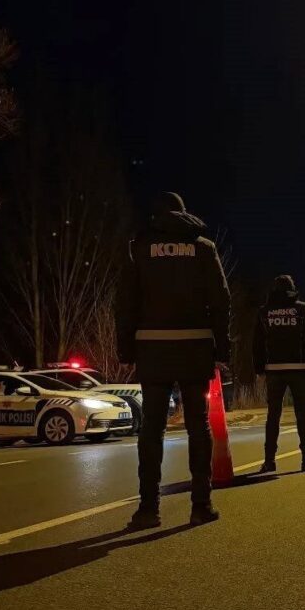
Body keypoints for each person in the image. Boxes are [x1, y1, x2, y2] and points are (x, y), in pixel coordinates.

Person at [117, 192, 231, 528]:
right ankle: (201, 505)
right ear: (183, 214)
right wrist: (222, 351)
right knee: (199, 426)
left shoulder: (138, 248)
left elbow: (124, 302)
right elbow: (221, 302)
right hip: (195, 346)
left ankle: (148, 509)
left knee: (151, 429)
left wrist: (125, 350)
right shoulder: (203, 248)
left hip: (152, 348)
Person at [253, 274, 305, 473]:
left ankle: (269, 461)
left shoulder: (264, 312)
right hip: (300, 369)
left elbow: (257, 343)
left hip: (274, 370)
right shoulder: (303, 309)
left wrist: (259, 369)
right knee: (302, 414)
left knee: (273, 415)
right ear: (293, 289)